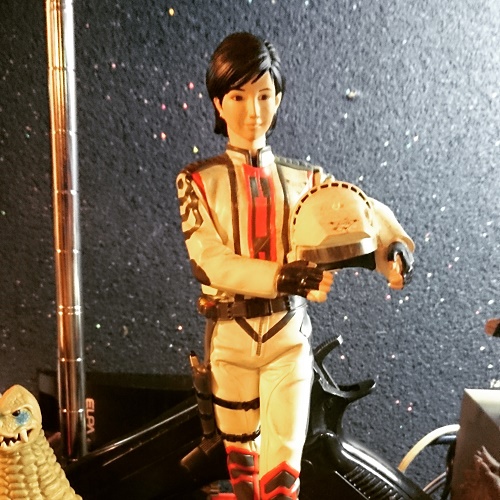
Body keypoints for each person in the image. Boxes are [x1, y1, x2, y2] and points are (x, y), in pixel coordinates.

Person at [177, 32, 414, 499]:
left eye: (264, 95)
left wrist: (392, 247)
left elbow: (357, 210)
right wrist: (279, 276)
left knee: (284, 468)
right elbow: (209, 261)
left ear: (279, 99)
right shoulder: (197, 182)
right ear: (219, 103)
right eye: (239, 96)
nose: (253, 110)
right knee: (242, 462)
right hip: (231, 340)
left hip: (287, 335)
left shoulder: (306, 179)